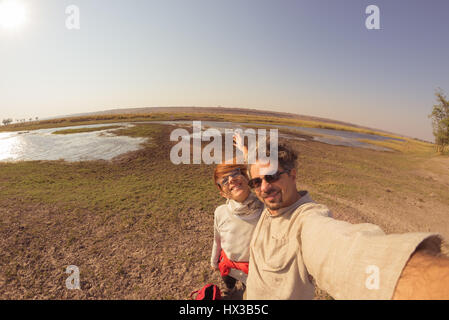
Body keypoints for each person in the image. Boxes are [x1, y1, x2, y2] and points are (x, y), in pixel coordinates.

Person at [245, 142, 449, 299]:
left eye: (271, 176)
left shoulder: (305, 220)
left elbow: (343, 252)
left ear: (293, 175)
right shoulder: (271, 203)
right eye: (256, 182)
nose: (264, 188)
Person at [210, 161, 263, 295]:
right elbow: (217, 240)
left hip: (252, 272)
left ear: (247, 178)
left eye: (236, 173)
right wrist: (214, 261)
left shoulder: (265, 211)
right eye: (224, 180)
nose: (232, 179)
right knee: (228, 281)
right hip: (227, 266)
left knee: (249, 294)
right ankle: (230, 289)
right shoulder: (220, 212)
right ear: (222, 193)